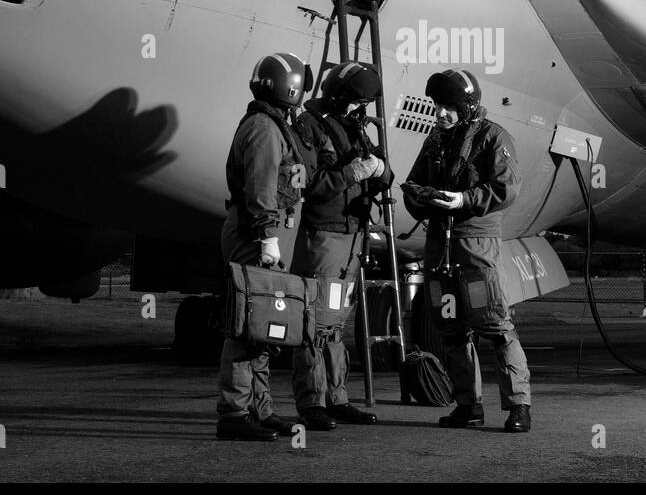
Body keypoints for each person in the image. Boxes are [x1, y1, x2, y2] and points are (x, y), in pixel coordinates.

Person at [402, 68, 532, 432]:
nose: (440, 113)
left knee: (495, 325)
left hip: (476, 246)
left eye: (448, 106)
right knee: (452, 330)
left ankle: (518, 405)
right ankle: (468, 405)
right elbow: (415, 183)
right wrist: (422, 197)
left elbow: (507, 188)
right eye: (437, 106)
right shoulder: (435, 140)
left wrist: (463, 199)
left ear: (468, 106)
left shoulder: (494, 138)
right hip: (439, 247)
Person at [290, 62, 393, 430]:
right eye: (354, 103)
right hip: (323, 236)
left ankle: (336, 398)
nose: (357, 110)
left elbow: (383, 172)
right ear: (338, 97)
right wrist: (352, 173)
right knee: (313, 323)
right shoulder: (309, 126)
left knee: (334, 325)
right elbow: (309, 184)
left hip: (352, 237)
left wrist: (381, 171)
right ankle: (312, 403)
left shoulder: (353, 125)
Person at [216, 52, 312, 442]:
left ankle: (260, 408)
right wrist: (267, 235)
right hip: (256, 235)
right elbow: (260, 188)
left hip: (263, 233)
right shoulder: (264, 130)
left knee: (262, 328)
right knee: (245, 327)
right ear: (291, 87)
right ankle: (234, 413)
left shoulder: (271, 124)